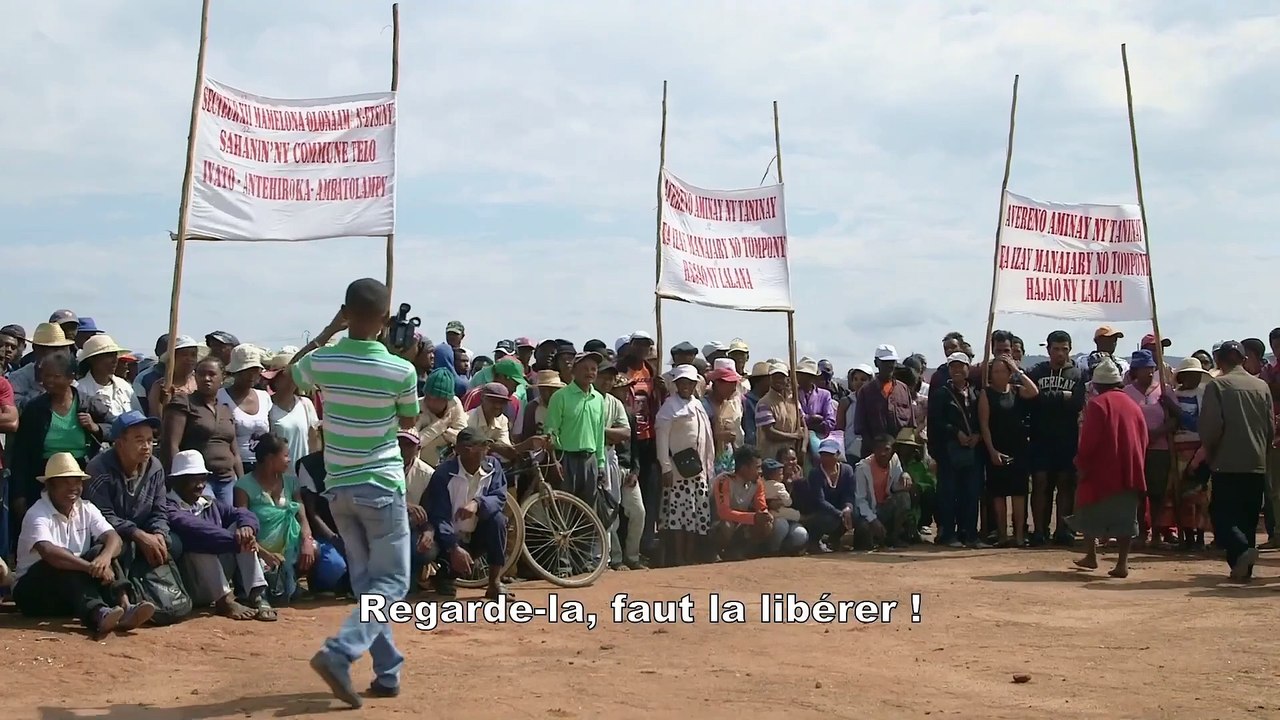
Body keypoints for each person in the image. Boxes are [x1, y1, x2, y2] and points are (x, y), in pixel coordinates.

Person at [290, 279, 419, 707]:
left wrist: (331, 329)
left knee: (369, 585)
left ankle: (388, 672)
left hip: (339, 488)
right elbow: (409, 419)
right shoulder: (401, 370)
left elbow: (294, 368)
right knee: (394, 583)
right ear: (384, 320)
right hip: (380, 486)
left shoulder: (324, 361)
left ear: (345, 313)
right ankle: (340, 652)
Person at [12, 453, 154, 636]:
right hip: (33, 593)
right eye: (65, 482)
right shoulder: (37, 514)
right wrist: (89, 568)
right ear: (49, 486)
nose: (73, 488)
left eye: (77, 482)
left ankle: (125, 606)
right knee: (64, 562)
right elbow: (49, 553)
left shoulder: (86, 507)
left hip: (70, 590)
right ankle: (98, 614)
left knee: (101, 550)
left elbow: (114, 537)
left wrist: (104, 558)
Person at [167, 449, 275, 621]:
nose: (201, 485)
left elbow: (243, 513)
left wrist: (246, 528)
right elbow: (198, 530)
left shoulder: (208, 503)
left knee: (240, 528)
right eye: (193, 480)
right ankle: (224, 601)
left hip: (217, 576)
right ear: (176, 481)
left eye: (202, 479)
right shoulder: (169, 508)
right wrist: (238, 541)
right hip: (191, 584)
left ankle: (257, 595)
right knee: (200, 543)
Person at [1200, 341, 1274, 581]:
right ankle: (1243, 568)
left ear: (1220, 361)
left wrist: (1209, 453)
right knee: (1248, 517)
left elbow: (1212, 427)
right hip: (1256, 461)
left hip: (1226, 461)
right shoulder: (1261, 386)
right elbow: (1270, 426)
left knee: (1222, 515)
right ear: (1243, 359)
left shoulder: (1218, 386)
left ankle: (1241, 551)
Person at [9, 351, 109, 530]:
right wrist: (19, 495)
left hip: (81, 475)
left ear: (71, 377)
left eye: (55, 376)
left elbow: (116, 426)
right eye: (45, 376)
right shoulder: (35, 408)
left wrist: (96, 428)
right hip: (43, 476)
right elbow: (21, 454)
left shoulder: (87, 404)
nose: (48, 381)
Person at [1070, 358, 1147, 578]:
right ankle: (1122, 563)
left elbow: (1089, 440)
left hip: (1101, 470)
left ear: (1097, 384)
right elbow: (1143, 439)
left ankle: (1091, 555)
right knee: (1125, 517)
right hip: (1130, 469)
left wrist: (1081, 463)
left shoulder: (1097, 404)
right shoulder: (1133, 405)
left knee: (1088, 509)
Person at [84, 411, 173, 589]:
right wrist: (137, 534)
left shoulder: (155, 467)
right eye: (139, 440)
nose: (147, 446)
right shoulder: (98, 468)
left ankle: (155, 593)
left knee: (172, 545)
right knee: (115, 550)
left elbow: (160, 510)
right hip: (110, 537)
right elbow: (103, 515)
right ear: (119, 444)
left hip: (145, 532)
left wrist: (158, 534)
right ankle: (124, 595)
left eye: (150, 440)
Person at [234, 433, 321, 603]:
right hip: (259, 551)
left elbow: (301, 515)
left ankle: (292, 580)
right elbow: (242, 525)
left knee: (315, 549)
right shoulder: (243, 486)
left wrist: (307, 540)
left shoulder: (291, 482)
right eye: (286, 455)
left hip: (289, 547)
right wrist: (265, 554)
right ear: (270, 459)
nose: (289, 460)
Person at [424, 428, 510, 599]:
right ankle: (443, 575)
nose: (487, 450)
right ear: (466, 450)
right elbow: (438, 515)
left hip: (476, 533)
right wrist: (453, 547)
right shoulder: (443, 474)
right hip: (449, 538)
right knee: (440, 557)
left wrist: (477, 503)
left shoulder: (493, 466)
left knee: (498, 520)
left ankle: (494, 582)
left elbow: (499, 497)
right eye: (482, 445)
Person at [1026, 330, 1084, 546]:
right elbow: (1030, 398)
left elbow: (1077, 402)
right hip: (1040, 437)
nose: (1060, 353)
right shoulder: (1037, 372)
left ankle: (1063, 530)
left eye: (1064, 349)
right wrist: (1060, 396)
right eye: (1056, 349)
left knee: (1065, 483)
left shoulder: (1077, 374)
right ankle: (1040, 530)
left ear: (1070, 349)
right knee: (1041, 483)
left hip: (1067, 438)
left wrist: (1045, 398)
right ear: (1048, 349)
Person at [654, 364, 715, 566]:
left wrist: (708, 467)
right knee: (678, 517)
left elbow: (706, 437)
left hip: (697, 470)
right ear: (676, 384)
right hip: (678, 470)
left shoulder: (698, 405)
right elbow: (661, 438)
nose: (686, 386)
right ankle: (678, 557)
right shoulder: (669, 407)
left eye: (690, 383)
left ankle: (690, 556)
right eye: (682, 382)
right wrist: (666, 467)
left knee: (695, 515)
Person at [161, 356, 242, 505]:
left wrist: (243, 483)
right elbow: (171, 444)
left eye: (212, 374)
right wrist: (178, 479)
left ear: (222, 378)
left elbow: (234, 452)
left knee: (227, 521)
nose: (206, 378)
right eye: (201, 374)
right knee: (208, 521)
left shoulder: (225, 410)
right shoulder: (184, 403)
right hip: (198, 481)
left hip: (227, 480)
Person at [977, 355, 1038, 547]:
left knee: (1019, 493)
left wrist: (1018, 371)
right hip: (997, 449)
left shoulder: (1017, 391)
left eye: (1003, 370)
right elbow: (984, 425)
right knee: (999, 495)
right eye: (995, 371)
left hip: (1019, 449)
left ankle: (1019, 535)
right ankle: (1003, 535)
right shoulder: (987, 394)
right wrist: (992, 451)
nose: (999, 375)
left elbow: (1034, 391)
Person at [1123, 349, 1180, 546]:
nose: (1148, 373)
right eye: (1144, 369)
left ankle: (1157, 533)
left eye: (1151, 368)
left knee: (1158, 493)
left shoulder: (1163, 391)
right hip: (1135, 449)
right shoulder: (1127, 393)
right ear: (1135, 371)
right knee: (1138, 492)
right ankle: (1140, 532)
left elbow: (1175, 419)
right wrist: (1140, 436)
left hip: (1160, 448)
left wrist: (1156, 433)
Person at [544, 352, 607, 509]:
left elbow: (599, 435)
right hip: (565, 460)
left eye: (594, 369)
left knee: (588, 514)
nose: (590, 372)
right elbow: (550, 432)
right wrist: (554, 461)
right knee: (563, 511)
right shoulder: (560, 397)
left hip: (589, 461)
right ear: (573, 370)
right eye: (585, 368)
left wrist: (600, 463)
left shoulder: (598, 399)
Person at [597, 364, 646, 570]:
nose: (625, 392)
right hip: (605, 460)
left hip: (624, 466)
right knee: (610, 514)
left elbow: (633, 445)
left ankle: (632, 556)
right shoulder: (597, 403)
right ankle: (615, 559)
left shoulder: (628, 413)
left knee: (638, 511)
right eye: (621, 388)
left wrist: (635, 471)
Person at [933, 352, 983, 548]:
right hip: (949, 452)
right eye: (952, 367)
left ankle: (969, 533)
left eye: (960, 366)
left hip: (972, 451)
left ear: (967, 369)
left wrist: (977, 434)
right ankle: (948, 534)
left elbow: (981, 418)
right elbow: (936, 421)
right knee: (949, 493)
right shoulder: (941, 393)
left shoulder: (976, 393)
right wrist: (955, 433)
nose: (957, 370)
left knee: (971, 493)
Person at [264, 351, 321, 491]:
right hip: (278, 477)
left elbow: (314, 440)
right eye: (286, 376)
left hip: (305, 476)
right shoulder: (267, 406)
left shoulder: (305, 404)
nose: (290, 380)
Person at [711, 446, 774, 560]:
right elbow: (723, 513)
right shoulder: (724, 480)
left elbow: (762, 507)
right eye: (757, 467)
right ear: (744, 468)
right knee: (726, 526)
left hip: (740, 525)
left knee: (766, 525)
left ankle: (741, 552)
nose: (760, 472)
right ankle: (717, 553)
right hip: (716, 525)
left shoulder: (757, 483)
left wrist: (764, 515)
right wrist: (753, 518)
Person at [852, 434, 914, 549]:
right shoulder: (862, 468)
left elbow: (895, 487)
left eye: (886, 449)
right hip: (868, 512)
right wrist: (873, 520)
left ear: (892, 450)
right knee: (864, 531)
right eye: (879, 449)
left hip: (885, 508)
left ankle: (894, 537)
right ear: (873, 450)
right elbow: (860, 501)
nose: (882, 453)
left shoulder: (894, 461)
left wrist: (904, 475)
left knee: (904, 497)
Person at [853, 345, 915, 458]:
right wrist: (877, 450)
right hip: (872, 455)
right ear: (876, 363)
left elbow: (910, 424)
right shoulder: (866, 391)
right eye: (885, 362)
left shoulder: (903, 389)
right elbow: (860, 426)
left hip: (900, 455)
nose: (890, 365)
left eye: (892, 361)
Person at [219, 346, 272, 476]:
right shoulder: (220, 397)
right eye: (246, 370)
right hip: (233, 466)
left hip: (263, 465)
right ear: (235, 372)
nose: (251, 375)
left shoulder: (264, 397)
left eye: (255, 370)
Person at [76, 334, 141, 431]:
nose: (114, 360)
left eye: (115, 355)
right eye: (108, 355)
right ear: (92, 359)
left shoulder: (124, 386)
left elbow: (139, 417)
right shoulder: (80, 390)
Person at [398, 429, 435, 592]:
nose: (402, 448)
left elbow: (432, 510)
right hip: (382, 526)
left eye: (408, 445)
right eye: (399, 443)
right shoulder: (380, 469)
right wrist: (404, 505)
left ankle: (412, 579)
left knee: (424, 549)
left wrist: (429, 531)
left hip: (412, 528)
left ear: (418, 449)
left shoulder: (428, 474)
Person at [802, 439, 857, 552]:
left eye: (830, 454)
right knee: (829, 519)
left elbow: (849, 493)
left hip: (839, 510)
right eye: (823, 454)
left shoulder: (847, 470)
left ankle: (834, 540)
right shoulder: (815, 473)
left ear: (838, 454)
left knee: (855, 515)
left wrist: (847, 508)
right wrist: (839, 513)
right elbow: (819, 501)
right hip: (820, 512)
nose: (826, 458)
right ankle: (814, 541)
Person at [9, 322, 77, 410]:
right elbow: (15, 409)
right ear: (36, 349)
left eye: (60, 349)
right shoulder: (18, 378)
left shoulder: (67, 377)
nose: (57, 354)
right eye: (52, 349)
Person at [755, 362, 805, 464]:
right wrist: (794, 436)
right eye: (775, 377)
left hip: (792, 457)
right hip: (772, 457)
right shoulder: (764, 403)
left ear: (787, 379)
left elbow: (804, 425)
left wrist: (803, 448)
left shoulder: (794, 401)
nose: (778, 380)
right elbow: (770, 433)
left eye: (781, 377)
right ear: (770, 379)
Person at [417, 367, 467, 466]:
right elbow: (415, 443)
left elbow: (464, 437)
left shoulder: (454, 404)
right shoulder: (417, 408)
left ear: (446, 400)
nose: (430, 402)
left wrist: (445, 431)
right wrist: (441, 425)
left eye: (436, 399)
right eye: (428, 397)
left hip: (448, 466)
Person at [704, 361, 745, 476]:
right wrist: (719, 436)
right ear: (717, 383)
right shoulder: (704, 406)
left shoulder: (731, 405)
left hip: (728, 460)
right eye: (730, 383)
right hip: (709, 461)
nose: (733, 388)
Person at [145, 335, 201, 418]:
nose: (189, 358)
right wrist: (162, 401)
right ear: (173, 358)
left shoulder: (200, 382)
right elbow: (156, 417)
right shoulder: (160, 386)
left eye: (193, 355)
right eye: (184, 354)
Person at [894, 428, 935, 538]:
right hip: (897, 501)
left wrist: (918, 487)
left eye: (909, 447)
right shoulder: (892, 464)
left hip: (917, 502)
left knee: (930, 494)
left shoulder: (919, 465)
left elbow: (931, 483)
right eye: (903, 446)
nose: (905, 449)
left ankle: (921, 525)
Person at [760, 457, 807, 553]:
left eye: (793, 459)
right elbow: (788, 502)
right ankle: (772, 550)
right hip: (774, 518)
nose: (790, 463)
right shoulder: (775, 485)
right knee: (782, 525)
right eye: (786, 459)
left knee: (800, 534)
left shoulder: (800, 480)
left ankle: (786, 550)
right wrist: (769, 502)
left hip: (787, 518)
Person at [797, 357, 836, 464]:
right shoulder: (792, 395)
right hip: (798, 445)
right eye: (800, 374)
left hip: (820, 443)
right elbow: (795, 420)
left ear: (813, 377)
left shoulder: (824, 395)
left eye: (806, 375)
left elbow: (830, 422)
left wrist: (808, 425)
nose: (802, 378)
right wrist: (813, 418)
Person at [838, 364, 874, 462]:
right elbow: (839, 429)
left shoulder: (875, 402)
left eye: (863, 379)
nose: (859, 382)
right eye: (855, 379)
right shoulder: (846, 402)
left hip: (869, 450)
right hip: (849, 450)